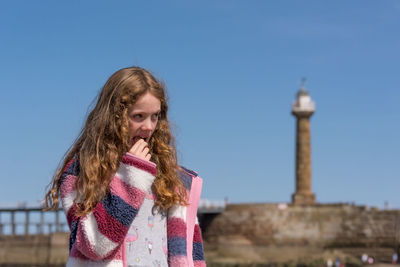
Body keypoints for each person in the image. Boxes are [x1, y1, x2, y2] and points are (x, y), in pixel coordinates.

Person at [45, 67, 206, 267]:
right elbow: (96, 246)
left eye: (154, 116)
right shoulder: (82, 172)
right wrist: (133, 175)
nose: (148, 126)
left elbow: (192, 252)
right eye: (138, 116)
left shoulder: (172, 178)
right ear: (115, 117)